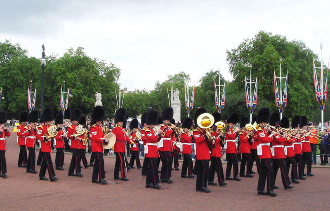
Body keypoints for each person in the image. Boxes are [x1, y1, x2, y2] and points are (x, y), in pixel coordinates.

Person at [255, 108, 276, 197]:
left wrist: (269, 132)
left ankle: (260, 189)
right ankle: (269, 189)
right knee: (269, 170)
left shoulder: (263, 130)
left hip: (266, 152)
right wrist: (272, 135)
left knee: (263, 171)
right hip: (264, 153)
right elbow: (265, 140)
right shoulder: (260, 130)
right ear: (262, 121)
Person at [269, 112, 293, 190]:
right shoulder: (273, 132)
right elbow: (279, 140)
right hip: (277, 152)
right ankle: (286, 184)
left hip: (279, 152)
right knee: (283, 169)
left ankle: (272, 184)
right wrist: (284, 137)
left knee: (275, 169)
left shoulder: (276, 131)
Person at [36, 108, 58, 182]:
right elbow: (38, 136)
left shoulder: (50, 127)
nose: (50, 122)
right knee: (49, 161)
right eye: (49, 120)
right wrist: (45, 138)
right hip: (44, 146)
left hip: (49, 145)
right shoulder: (40, 127)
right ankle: (52, 176)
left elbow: (53, 134)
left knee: (45, 162)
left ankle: (41, 175)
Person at [194, 108, 211, 193]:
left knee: (201, 169)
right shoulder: (196, 131)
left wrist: (210, 138)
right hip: (201, 153)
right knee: (205, 169)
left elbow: (209, 142)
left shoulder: (205, 131)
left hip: (205, 152)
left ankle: (199, 186)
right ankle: (203, 185)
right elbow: (198, 140)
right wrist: (204, 136)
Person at [90, 106, 108, 184]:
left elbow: (101, 136)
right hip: (95, 148)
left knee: (97, 163)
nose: (100, 121)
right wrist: (103, 139)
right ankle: (101, 178)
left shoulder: (100, 127)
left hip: (100, 147)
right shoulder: (93, 128)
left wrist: (106, 139)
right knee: (101, 162)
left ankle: (94, 178)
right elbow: (94, 138)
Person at [208, 113, 227, 186]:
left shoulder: (217, 132)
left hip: (217, 151)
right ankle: (221, 181)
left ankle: (210, 180)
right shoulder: (211, 132)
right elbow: (214, 141)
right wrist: (219, 136)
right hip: (214, 152)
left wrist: (222, 139)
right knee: (219, 167)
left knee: (213, 167)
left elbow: (220, 143)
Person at [145, 109, 161, 189]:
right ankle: (155, 183)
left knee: (151, 168)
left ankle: (148, 182)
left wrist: (159, 136)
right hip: (150, 151)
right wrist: (157, 134)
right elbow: (152, 139)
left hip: (154, 151)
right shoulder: (147, 131)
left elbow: (156, 139)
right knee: (153, 167)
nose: (153, 125)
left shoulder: (153, 130)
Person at [159, 107, 175, 184]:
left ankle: (163, 177)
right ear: (164, 120)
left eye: (168, 120)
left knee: (166, 162)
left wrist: (174, 131)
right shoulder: (162, 127)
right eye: (167, 120)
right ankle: (166, 177)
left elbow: (172, 136)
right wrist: (171, 129)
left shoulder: (168, 127)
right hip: (164, 147)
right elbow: (166, 134)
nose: (168, 121)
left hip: (168, 147)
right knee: (168, 161)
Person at [112, 108, 129, 181]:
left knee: (118, 161)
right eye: (120, 122)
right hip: (118, 147)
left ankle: (116, 175)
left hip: (122, 146)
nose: (121, 123)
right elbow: (113, 138)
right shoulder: (115, 129)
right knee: (122, 161)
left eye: (122, 122)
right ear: (117, 122)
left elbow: (126, 137)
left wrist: (131, 142)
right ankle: (123, 176)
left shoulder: (122, 129)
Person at [282, 117, 300, 184]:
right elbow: (289, 141)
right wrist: (295, 138)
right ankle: (293, 177)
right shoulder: (284, 133)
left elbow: (290, 139)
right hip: (288, 150)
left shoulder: (287, 133)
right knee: (294, 163)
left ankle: (286, 178)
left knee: (287, 165)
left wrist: (294, 136)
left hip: (290, 150)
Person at [67, 109, 83, 177]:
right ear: (73, 120)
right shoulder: (70, 127)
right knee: (77, 157)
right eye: (76, 120)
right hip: (74, 144)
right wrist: (73, 136)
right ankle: (78, 171)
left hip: (78, 144)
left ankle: (70, 172)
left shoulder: (79, 126)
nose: (77, 121)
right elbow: (68, 135)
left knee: (74, 158)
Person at [225, 112, 241, 181]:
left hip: (233, 146)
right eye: (232, 123)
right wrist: (235, 132)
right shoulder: (227, 129)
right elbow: (231, 136)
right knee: (235, 161)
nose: (233, 124)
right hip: (230, 147)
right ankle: (235, 175)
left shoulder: (231, 129)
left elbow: (234, 137)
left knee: (230, 162)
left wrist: (236, 133)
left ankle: (228, 175)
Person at [292, 116, 306, 180]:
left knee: (298, 163)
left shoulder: (297, 132)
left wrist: (301, 136)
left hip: (298, 149)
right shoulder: (293, 132)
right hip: (295, 149)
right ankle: (297, 176)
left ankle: (298, 175)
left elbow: (301, 139)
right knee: (299, 162)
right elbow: (297, 140)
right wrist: (299, 136)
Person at [0, 111, 11, 178]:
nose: (2, 124)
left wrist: (6, 131)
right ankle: (3, 172)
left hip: (3, 145)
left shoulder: (3, 128)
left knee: (1, 158)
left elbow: (9, 135)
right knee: (3, 159)